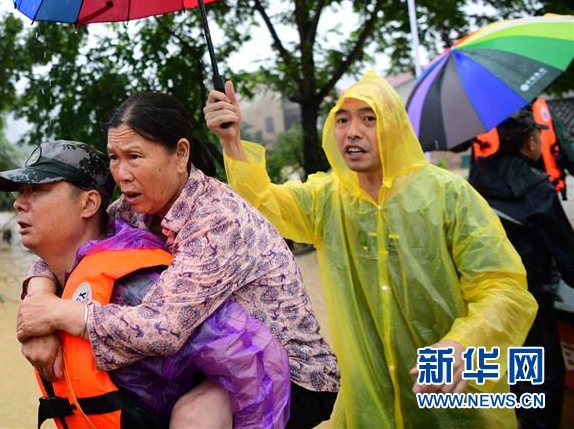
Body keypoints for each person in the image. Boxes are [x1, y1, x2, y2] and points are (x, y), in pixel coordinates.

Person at [204, 70, 538, 428]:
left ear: (394, 127)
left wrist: (463, 344)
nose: (353, 132)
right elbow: (264, 204)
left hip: (453, 398)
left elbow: (503, 287)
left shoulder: (448, 196)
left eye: (369, 119)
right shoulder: (328, 200)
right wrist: (232, 143)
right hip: (369, 404)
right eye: (342, 120)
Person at [16, 95, 340, 429]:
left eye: (135, 157)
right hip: (216, 358)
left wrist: (56, 314)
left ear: (180, 153)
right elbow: (76, 241)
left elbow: (162, 330)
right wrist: (40, 298)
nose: (122, 174)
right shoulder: (134, 208)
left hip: (292, 372)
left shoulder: (215, 218)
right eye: (114, 157)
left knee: (193, 414)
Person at [0, 139, 291, 428]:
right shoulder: (57, 279)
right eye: (20, 192)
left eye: (37, 190)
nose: (19, 203)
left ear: (89, 204)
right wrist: (37, 308)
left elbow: (252, 356)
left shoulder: (136, 287)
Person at [469, 111, 574, 429]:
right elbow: (567, 253)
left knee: (508, 375)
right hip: (531, 299)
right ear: (531, 141)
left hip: (487, 299)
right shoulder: (538, 188)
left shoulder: (478, 178)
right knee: (544, 379)